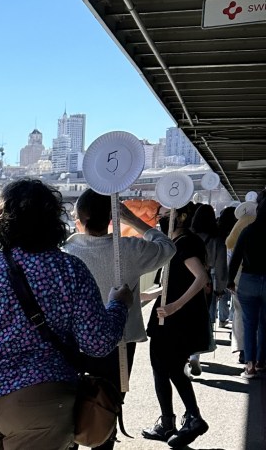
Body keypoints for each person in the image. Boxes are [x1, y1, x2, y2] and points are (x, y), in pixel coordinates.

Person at [0, 179, 131, 450]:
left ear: (1, 221)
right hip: (41, 398)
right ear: (53, 220)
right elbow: (96, 344)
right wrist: (118, 305)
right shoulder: (71, 270)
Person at [62, 189, 175, 450]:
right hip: (120, 342)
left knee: (69, 410)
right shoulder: (128, 249)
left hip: (75, 343)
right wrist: (133, 220)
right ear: (112, 218)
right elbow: (168, 248)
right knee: (107, 407)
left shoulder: (66, 253)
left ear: (79, 218)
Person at [141, 205, 212, 447]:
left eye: (164, 214)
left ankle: (190, 417)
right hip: (172, 318)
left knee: (167, 367)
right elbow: (175, 282)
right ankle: (171, 421)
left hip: (175, 320)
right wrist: (148, 296)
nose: (159, 218)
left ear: (179, 217)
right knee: (164, 367)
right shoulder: (179, 243)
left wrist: (174, 307)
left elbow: (201, 278)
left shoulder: (184, 244)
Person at [227, 190, 265, 378]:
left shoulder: (248, 230)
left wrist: (230, 280)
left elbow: (236, 257)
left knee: (249, 323)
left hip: (248, 280)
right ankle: (260, 362)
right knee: (264, 323)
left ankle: (249, 366)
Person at [188, 204, 226, 375]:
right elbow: (220, 268)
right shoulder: (217, 240)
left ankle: (187, 353)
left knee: (187, 315)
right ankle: (196, 353)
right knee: (204, 317)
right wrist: (220, 288)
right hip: (207, 282)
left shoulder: (188, 236)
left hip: (187, 279)